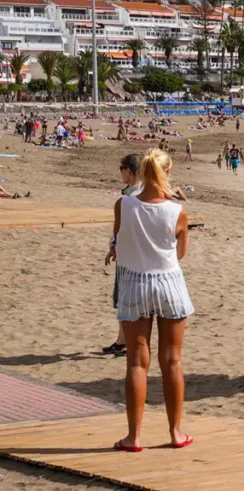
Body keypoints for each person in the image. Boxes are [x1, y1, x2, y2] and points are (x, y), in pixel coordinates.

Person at [108, 149, 193, 452]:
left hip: (134, 283)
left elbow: (118, 243)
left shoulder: (124, 205)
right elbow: (180, 253)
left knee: (136, 362)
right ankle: (175, 433)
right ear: (167, 172)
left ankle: (134, 437)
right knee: (171, 361)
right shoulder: (177, 211)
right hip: (169, 283)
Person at [103, 153, 143, 357]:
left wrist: (113, 246)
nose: (119, 172)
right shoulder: (138, 193)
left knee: (125, 300)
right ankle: (121, 341)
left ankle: (126, 342)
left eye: (121, 168)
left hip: (130, 256)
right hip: (133, 254)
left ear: (129, 171)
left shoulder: (130, 198)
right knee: (124, 299)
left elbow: (122, 228)